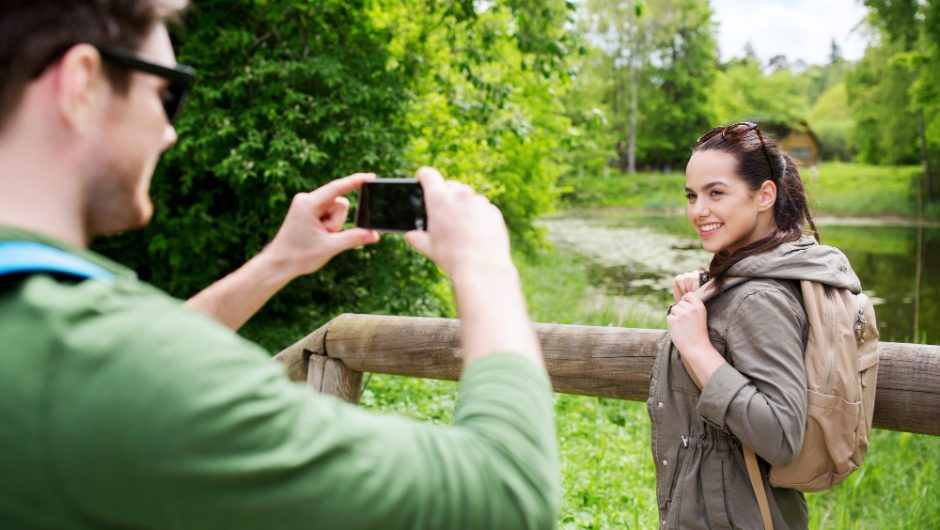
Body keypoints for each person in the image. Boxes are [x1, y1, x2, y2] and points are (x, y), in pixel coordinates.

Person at [0, 2, 559, 528]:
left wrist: (277, 263)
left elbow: (123, 359)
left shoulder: (55, 344)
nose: (169, 131)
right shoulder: (94, 364)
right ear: (81, 86)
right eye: (169, 94)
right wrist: (484, 266)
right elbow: (505, 495)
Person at [648, 122, 862, 530]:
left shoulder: (759, 297)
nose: (698, 210)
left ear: (764, 195)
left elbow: (781, 436)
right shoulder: (744, 282)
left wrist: (698, 349)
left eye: (716, 193)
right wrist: (710, 294)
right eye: (692, 196)